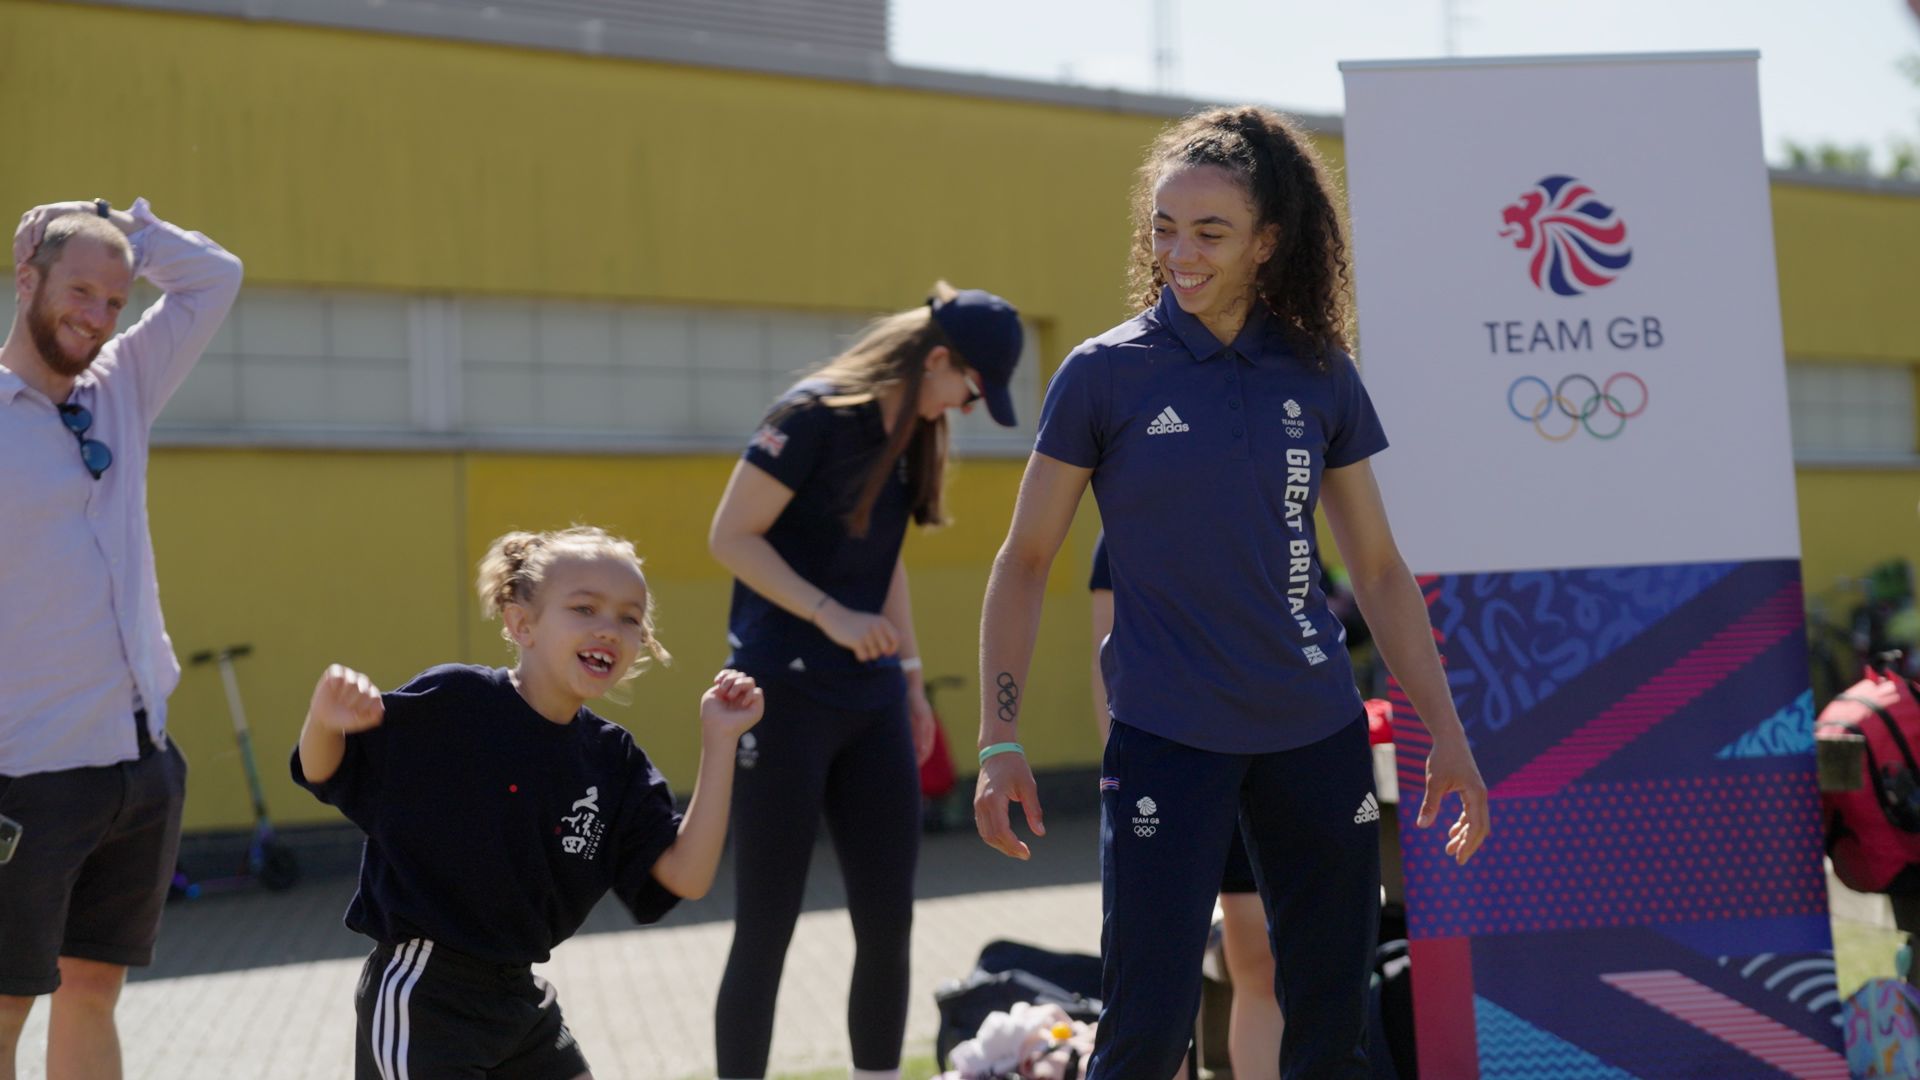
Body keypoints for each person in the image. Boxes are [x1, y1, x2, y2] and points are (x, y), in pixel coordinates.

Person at [972, 106, 1491, 1079]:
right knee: (1146, 1031)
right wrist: (1001, 739)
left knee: (1334, 1032)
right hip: (1169, 736)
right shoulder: (1103, 374)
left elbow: (1377, 570)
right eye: (1165, 227)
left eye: (1209, 232)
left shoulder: (1319, 372)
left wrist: (1447, 738)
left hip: (1314, 730)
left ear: (1269, 241)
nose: (1180, 251)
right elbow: (1026, 560)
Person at [292, 526, 762, 1080]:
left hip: (520, 1000)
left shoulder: (613, 761)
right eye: (585, 608)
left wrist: (721, 739)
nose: (609, 629)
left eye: (629, 618)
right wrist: (324, 718)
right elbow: (327, 771)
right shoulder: (457, 703)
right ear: (522, 624)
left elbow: (687, 876)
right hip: (426, 994)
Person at [708, 283, 1025, 1080]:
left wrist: (911, 680)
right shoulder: (811, 416)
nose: (962, 408)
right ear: (939, 359)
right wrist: (828, 615)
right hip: (778, 695)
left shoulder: (916, 436)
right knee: (766, 925)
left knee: (888, 924)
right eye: (969, 390)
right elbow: (730, 536)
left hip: (873, 700)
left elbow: (884, 567)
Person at [0, 198, 242, 1080]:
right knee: (4, 1005)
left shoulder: (122, 388)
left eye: (115, 297)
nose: (99, 316)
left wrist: (117, 229)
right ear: (26, 281)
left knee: (93, 989)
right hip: (24, 771)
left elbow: (216, 278)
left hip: (138, 763)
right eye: (80, 291)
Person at [1088, 532, 1281, 1080]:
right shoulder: (1126, 525)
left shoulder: (1265, 504)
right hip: (1160, 770)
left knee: (1261, 965)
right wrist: (1124, 778)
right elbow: (1105, 660)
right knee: (1156, 994)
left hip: (1256, 758)